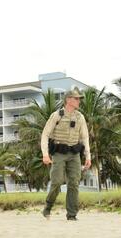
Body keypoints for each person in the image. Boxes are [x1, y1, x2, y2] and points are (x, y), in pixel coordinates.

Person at [40, 88, 91, 221]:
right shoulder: (57, 115)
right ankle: (48, 207)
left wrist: (88, 156)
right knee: (56, 182)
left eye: (79, 99)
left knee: (74, 183)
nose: (79, 101)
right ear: (68, 99)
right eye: (76, 98)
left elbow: (85, 138)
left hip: (74, 154)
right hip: (59, 153)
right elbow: (45, 135)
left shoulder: (80, 117)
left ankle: (72, 215)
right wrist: (45, 154)